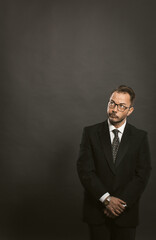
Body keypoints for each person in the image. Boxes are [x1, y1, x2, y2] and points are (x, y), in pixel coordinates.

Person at [77, 85, 151, 240]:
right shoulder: (90, 133)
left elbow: (142, 174)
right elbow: (85, 170)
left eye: (121, 106)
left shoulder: (140, 137)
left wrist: (121, 204)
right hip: (97, 211)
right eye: (112, 103)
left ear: (130, 110)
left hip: (126, 214)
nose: (114, 109)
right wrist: (107, 199)